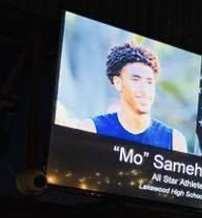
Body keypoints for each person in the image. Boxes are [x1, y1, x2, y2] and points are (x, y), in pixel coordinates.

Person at [57, 43, 189, 152]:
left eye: (149, 82)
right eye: (136, 80)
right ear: (118, 83)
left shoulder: (174, 140)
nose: (144, 90)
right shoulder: (91, 129)